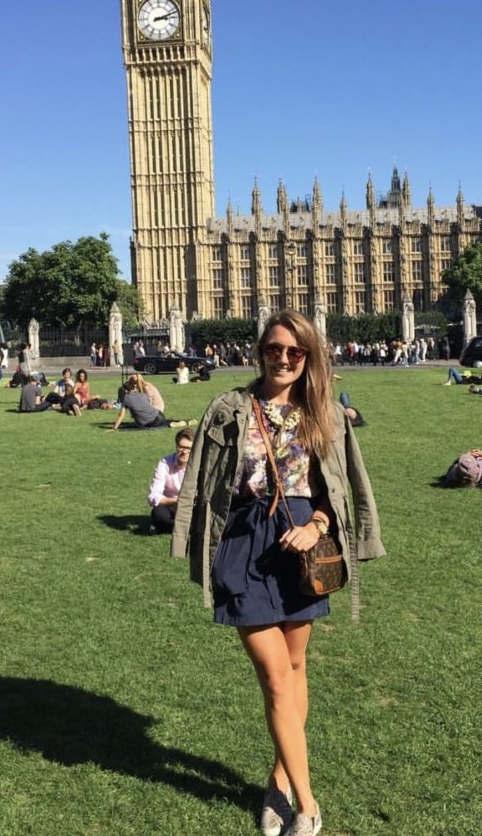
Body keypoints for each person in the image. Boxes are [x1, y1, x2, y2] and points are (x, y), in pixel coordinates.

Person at [172, 309, 385, 836]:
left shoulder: (326, 414)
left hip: (299, 546)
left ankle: (279, 782)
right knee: (273, 677)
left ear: (308, 356)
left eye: (295, 352)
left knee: (294, 669)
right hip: (243, 545)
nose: (284, 359)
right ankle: (309, 807)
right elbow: (200, 483)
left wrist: (317, 527)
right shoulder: (227, 409)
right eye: (274, 350)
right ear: (259, 352)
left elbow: (337, 489)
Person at [147, 427, 194, 533]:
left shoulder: (200, 465)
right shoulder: (165, 463)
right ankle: (187, 528)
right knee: (158, 513)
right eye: (181, 447)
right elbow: (153, 495)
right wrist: (173, 501)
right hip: (170, 505)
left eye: (188, 448)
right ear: (176, 446)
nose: (184, 452)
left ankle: (166, 527)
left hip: (191, 507)